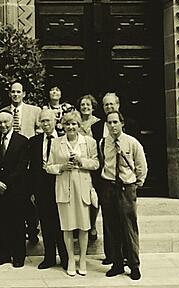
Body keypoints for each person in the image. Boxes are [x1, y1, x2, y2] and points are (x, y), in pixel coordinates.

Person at [45, 110, 98, 277]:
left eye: (73, 124)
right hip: (64, 187)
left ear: (78, 125)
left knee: (83, 226)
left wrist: (81, 162)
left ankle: (82, 259)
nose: (70, 127)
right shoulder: (56, 143)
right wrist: (61, 167)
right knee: (67, 227)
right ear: (62, 126)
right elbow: (48, 166)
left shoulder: (89, 142)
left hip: (81, 187)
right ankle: (70, 259)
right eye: (67, 124)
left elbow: (96, 163)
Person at [100, 111, 148, 281]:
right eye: (109, 122)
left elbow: (141, 165)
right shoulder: (103, 143)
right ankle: (117, 263)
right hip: (109, 187)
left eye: (115, 122)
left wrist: (137, 182)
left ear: (122, 123)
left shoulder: (132, 142)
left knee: (129, 227)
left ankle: (134, 265)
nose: (112, 125)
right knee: (112, 227)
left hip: (126, 188)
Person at [0, 81, 41, 244]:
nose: (15, 94)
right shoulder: (3, 112)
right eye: (13, 92)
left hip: (29, 162)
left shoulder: (34, 111)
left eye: (19, 92)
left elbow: (40, 131)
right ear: (9, 94)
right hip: (11, 164)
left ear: (24, 94)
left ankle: (32, 230)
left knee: (29, 201)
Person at [29, 109, 68, 270]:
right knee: (46, 223)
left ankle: (66, 257)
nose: (46, 124)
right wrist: (32, 190)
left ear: (55, 122)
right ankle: (49, 257)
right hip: (42, 189)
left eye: (48, 121)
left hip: (61, 185)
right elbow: (31, 169)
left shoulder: (64, 140)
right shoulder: (34, 141)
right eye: (43, 121)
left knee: (62, 223)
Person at [0, 111, 31, 268]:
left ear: (12, 122)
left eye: (6, 122)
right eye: (0, 122)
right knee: (1, 222)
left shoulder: (22, 141)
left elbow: (21, 167)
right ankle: (4, 254)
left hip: (16, 188)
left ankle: (19, 255)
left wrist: (5, 182)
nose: (3, 125)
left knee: (17, 223)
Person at [78, 94, 101, 241]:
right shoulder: (76, 122)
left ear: (93, 107)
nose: (85, 107)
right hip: (79, 164)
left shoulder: (98, 123)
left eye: (88, 105)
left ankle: (92, 225)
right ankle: (81, 224)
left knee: (94, 197)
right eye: (82, 105)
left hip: (93, 163)